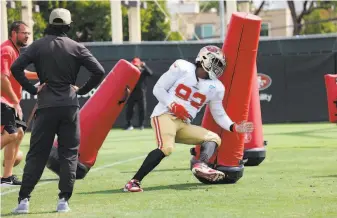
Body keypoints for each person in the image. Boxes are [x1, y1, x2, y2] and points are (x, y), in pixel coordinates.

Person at [10, 8, 105, 213]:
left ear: (50, 24)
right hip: (69, 107)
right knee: (69, 154)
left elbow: (15, 68)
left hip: (45, 106)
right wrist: (82, 90)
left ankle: (24, 201)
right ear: (69, 25)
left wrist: (32, 89)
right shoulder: (76, 47)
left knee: (37, 154)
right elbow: (99, 71)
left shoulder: (37, 46)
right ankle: (63, 201)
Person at [124, 45, 254, 192]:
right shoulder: (183, 68)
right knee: (166, 148)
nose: (218, 68)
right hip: (164, 115)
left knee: (214, 138)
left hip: (183, 123)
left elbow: (218, 113)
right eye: (215, 62)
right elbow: (158, 89)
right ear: (204, 59)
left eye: (219, 65)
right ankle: (134, 182)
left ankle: (201, 165)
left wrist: (233, 126)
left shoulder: (216, 87)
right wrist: (173, 105)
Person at [1, 21, 38, 186]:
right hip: (4, 101)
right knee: (12, 134)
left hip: (11, 102)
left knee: (19, 134)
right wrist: (15, 101)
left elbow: (19, 73)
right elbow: (2, 78)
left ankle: (7, 177)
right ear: (14, 33)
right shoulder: (7, 50)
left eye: (28, 33)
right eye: (24, 33)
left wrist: (42, 75)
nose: (27, 36)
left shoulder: (15, 51)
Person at [125, 57, 153, 130]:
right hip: (131, 93)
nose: (135, 67)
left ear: (139, 65)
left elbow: (150, 73)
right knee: (130, 110)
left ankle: (141, 125)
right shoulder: (130, 72)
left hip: (141, 93)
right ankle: (129, 125)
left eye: (136, 65)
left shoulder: (143, 71)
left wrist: (144, 66)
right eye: (134, 65)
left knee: (142, 110)